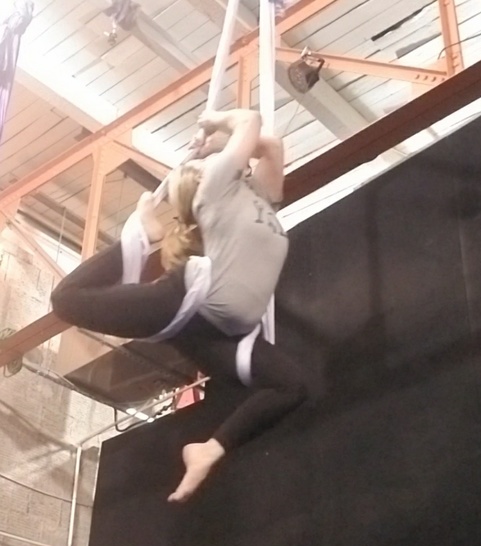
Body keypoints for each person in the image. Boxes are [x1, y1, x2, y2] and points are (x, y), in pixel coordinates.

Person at [51, 109, 309, 503]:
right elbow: (250, 121)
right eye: (210, 161)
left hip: (220, 331)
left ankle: (208, 450)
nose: (218, 159)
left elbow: (270, 145)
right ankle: (138, 237)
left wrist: (216, 142)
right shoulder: (215, 190)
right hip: (186, 302)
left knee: (292, 385)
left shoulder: (258, 198)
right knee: (66, 300)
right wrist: (214, 120)